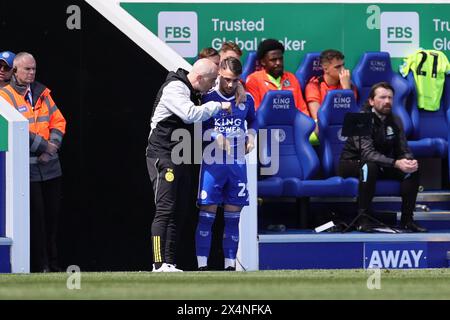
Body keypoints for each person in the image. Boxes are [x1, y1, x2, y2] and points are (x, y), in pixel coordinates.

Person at [146, 58, 232, 272]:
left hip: (181, 156)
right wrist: (217, 105)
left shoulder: (194, 90)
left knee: (179, 210)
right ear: (200, 77)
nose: (213, 86)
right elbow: (189, 114)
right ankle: (158, 263)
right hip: (163, 155)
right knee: (165, 210)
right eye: (212, 80)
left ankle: (169, 262)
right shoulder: (175, 87)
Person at [0, 52, 67, 271]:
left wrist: (53, 147)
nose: (31, 73)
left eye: (34, 69)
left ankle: (54, 265)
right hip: (27, 168)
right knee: (36, 221)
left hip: (51, 166)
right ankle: (42, 266)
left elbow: (58, 120)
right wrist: (43, 146)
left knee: (53, 220)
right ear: (15, 71)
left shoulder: (42, 93)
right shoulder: (5, 96)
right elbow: (17, 128)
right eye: (27, 69)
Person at [338, 82, 427, 233]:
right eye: (382, 97)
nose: (387, 101)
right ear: (371, 101)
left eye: (390, 98)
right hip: (351, 163)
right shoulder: (360, 119)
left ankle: (407, 220)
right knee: (369, 165)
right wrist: (395, 163)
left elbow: (403, 148)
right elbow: (367, 153)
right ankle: (362, 219)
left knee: (412, 170)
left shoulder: (396, 120)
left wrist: (408, 161)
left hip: (382, 163)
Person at [195, 57, 257, 271]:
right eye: (227, 79)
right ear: (220, 73)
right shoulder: (208, 97)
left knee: (232, 219)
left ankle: (230, 268)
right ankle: (202, 267)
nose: (230, 85)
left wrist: (251, 135)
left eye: (235, 80)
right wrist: (213, 134)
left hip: (237, 165)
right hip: (213, 164)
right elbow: (197, 126)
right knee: (206, 217)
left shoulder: (246, 98)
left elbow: (254, 120)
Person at [305, 49, 357, 143]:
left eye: (343, 65)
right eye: (338, 67)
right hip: (325, 127)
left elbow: (351, 113)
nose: (343, 70)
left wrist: (346, 88)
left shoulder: (348, 84)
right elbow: (318, 116)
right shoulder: (314, 86)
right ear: (325, 69)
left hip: (345, 126)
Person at [245, 39, 308, 115]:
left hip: (291, 124)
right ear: (263, 62)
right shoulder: (254, 79)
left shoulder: (291, 78)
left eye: (280, 59)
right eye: (273, 60)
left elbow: (302, 109)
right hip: (266, 125)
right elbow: (255, 111)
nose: (278, 63)